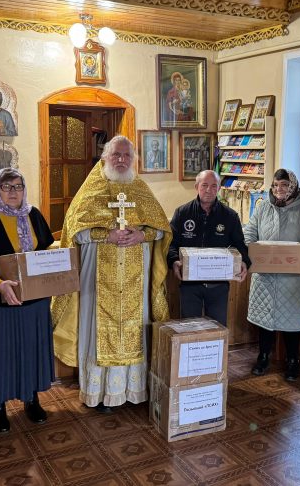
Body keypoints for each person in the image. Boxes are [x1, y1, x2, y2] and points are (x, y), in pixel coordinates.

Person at [51, 135, 172, 412]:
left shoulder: (140, 189)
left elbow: (161, 229)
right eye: (116, 155)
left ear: (134, 160)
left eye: (127, 156)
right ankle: (99, 393)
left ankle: (132, 390)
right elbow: (76, 232)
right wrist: (106, 236)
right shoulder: (91, 190)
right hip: (97, 279)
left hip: (135, 280)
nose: (121, 160)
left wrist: (142, 235)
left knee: (134, 328)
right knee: (98, 330)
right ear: (105, 157)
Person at [0, 168, 56, 432]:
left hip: (34, 303)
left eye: (18, 186)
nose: (13, 192)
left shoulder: (34, 215)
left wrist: (58, 275)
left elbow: (45, 252)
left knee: (30, 350)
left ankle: (31, 399)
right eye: (7, 187)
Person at [244, 169, 300, 381]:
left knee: (292, 321)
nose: (279, 190)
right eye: (276, 185)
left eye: (284, 185)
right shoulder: (263, 207)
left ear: (293, 186)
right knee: (265, 319)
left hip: (292, 278)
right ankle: (263, 357)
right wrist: (252, 250)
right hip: (265, 276)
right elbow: (250, 232)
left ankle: (293, 360)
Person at [168, 170, 249, 326]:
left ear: (219, 189)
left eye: (214, 186)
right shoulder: (182, 213)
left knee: (217, 330)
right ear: (197, 186)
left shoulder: (230, 216)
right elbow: (172, 244)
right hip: (190, 285)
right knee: (190, 329)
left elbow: (240, 245)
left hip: (218, 285)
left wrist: (244, 262)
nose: (209, 190)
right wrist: (174, 261)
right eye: (204, 185)